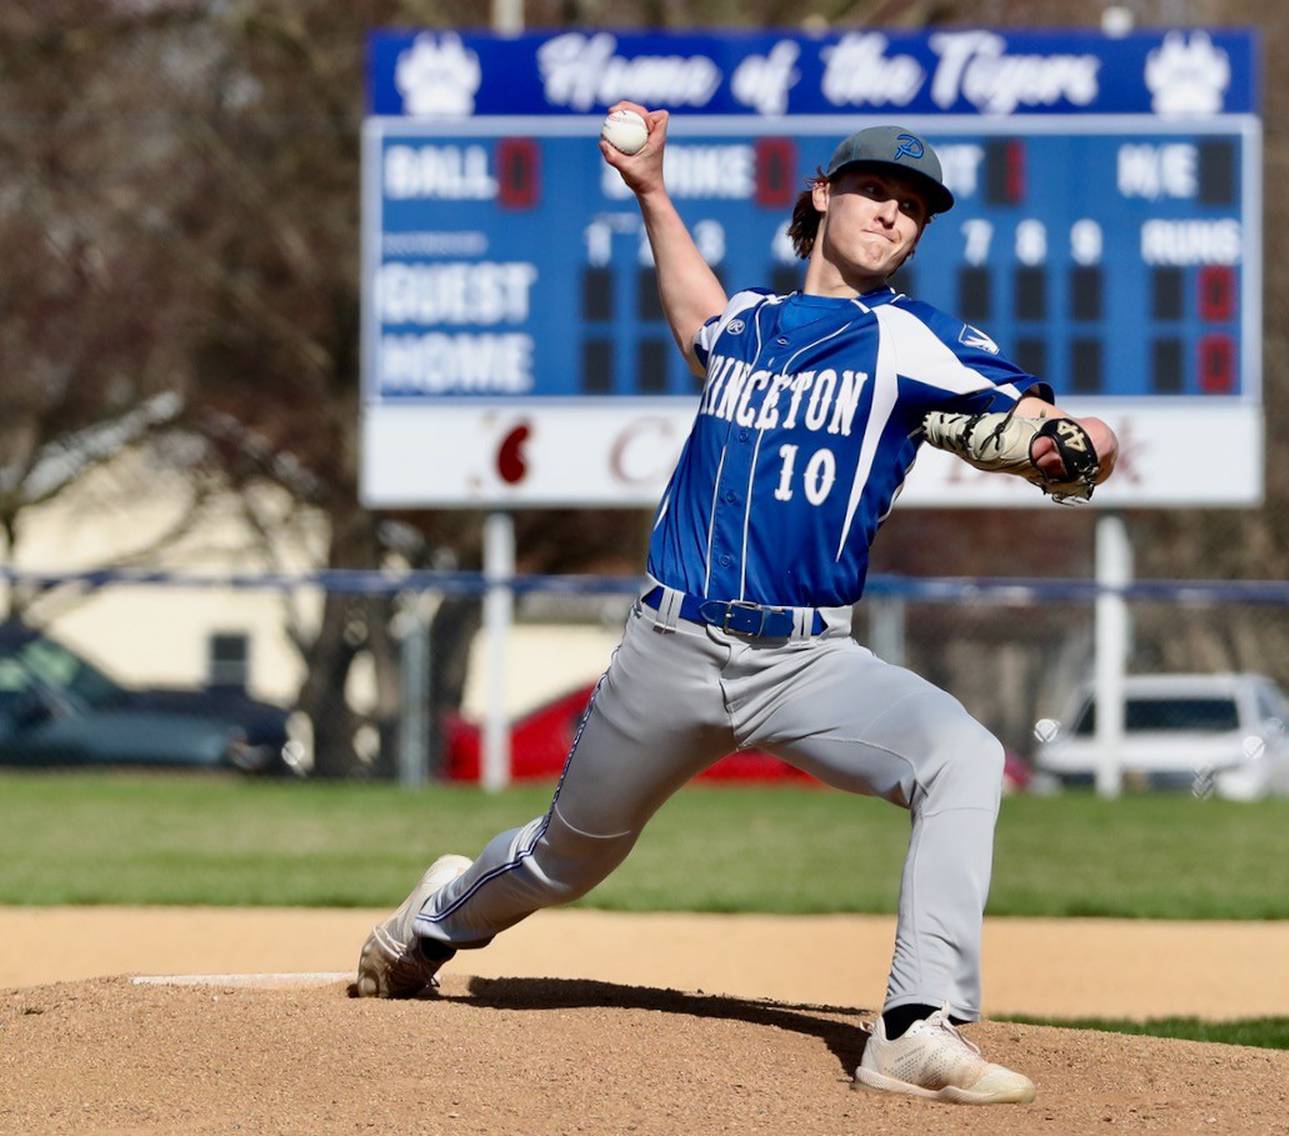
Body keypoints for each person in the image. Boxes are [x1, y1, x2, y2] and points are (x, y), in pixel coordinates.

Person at [356, 103, 1118, 1106]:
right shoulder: (750, 325)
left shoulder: (911, 340)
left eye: (913, 206)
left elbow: (1036, 423)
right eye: (874, 190)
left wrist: (1079, 443)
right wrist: (651, 192)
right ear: (822, 196)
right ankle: (429, 922)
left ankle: (912, 1027)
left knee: (961, 755)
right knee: (564, 859)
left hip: (807, 663)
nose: (892, 213)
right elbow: (696, 316)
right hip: (668, 648)